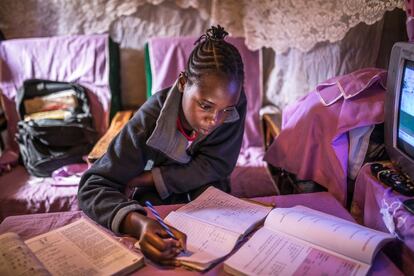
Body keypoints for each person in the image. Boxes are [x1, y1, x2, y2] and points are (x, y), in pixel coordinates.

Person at [78, 25, 246, 266]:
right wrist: (139, 223)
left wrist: (147, 177)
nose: (215, 120)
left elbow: (218, 165)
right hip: (156, 202)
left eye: (226, 110)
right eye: (206, 106)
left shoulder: (234, 101)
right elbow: (92, 187)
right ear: (182, 82)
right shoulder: (149, 120)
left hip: (211, 200)